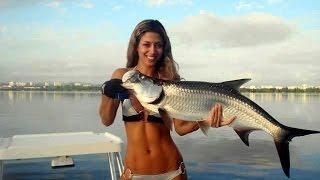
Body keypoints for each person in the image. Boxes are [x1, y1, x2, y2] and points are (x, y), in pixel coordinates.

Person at [99, 19, 236, 180]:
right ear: (136, 46)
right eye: (147, 44)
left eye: (158, 45)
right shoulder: (122, 76)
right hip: (133, 174)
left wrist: (205, 120)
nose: (152, 50)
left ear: (164, 48)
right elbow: (106, 120)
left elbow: (180, 129)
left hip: (172, 172)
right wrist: (107, 92)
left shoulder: (170, 81)